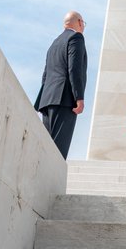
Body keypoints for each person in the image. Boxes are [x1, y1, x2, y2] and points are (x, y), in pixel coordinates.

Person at [35, 11, 87, 159]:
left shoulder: (54, 44)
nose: (83, 26)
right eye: (83, 23)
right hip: (65, 100)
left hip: (47, 102)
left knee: (46, 150)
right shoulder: (76, 38)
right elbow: (74, 69)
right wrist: (79, 97)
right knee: (58, 152)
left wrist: (40, 102)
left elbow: (45, 75)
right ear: (79, 22)